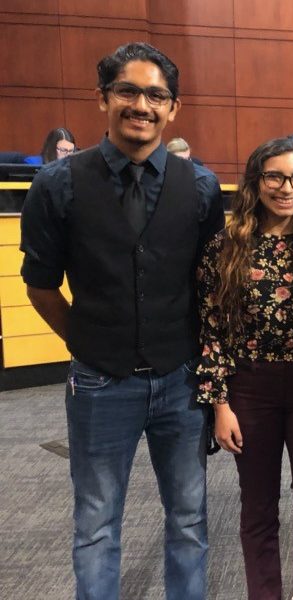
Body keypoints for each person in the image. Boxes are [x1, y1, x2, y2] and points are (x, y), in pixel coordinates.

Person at [19, 42, 223, 600]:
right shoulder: (57, 184)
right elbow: (39, 285)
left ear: (173, 108)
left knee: (189, 519)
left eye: (156, 95)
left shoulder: (201, 187)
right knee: (96, 523)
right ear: (103, 97)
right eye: (128, 91)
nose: (142, 105)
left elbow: (209, 287)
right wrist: (87, 340)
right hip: (98, 383)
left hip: (182, 382)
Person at [196, 136, 293, 600]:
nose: (287, 188)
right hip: (249, 388)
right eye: (275, 176)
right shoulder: (225, 245)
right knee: (258, 506)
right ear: (255, 181)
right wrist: (220, 404)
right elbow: (211, 326)